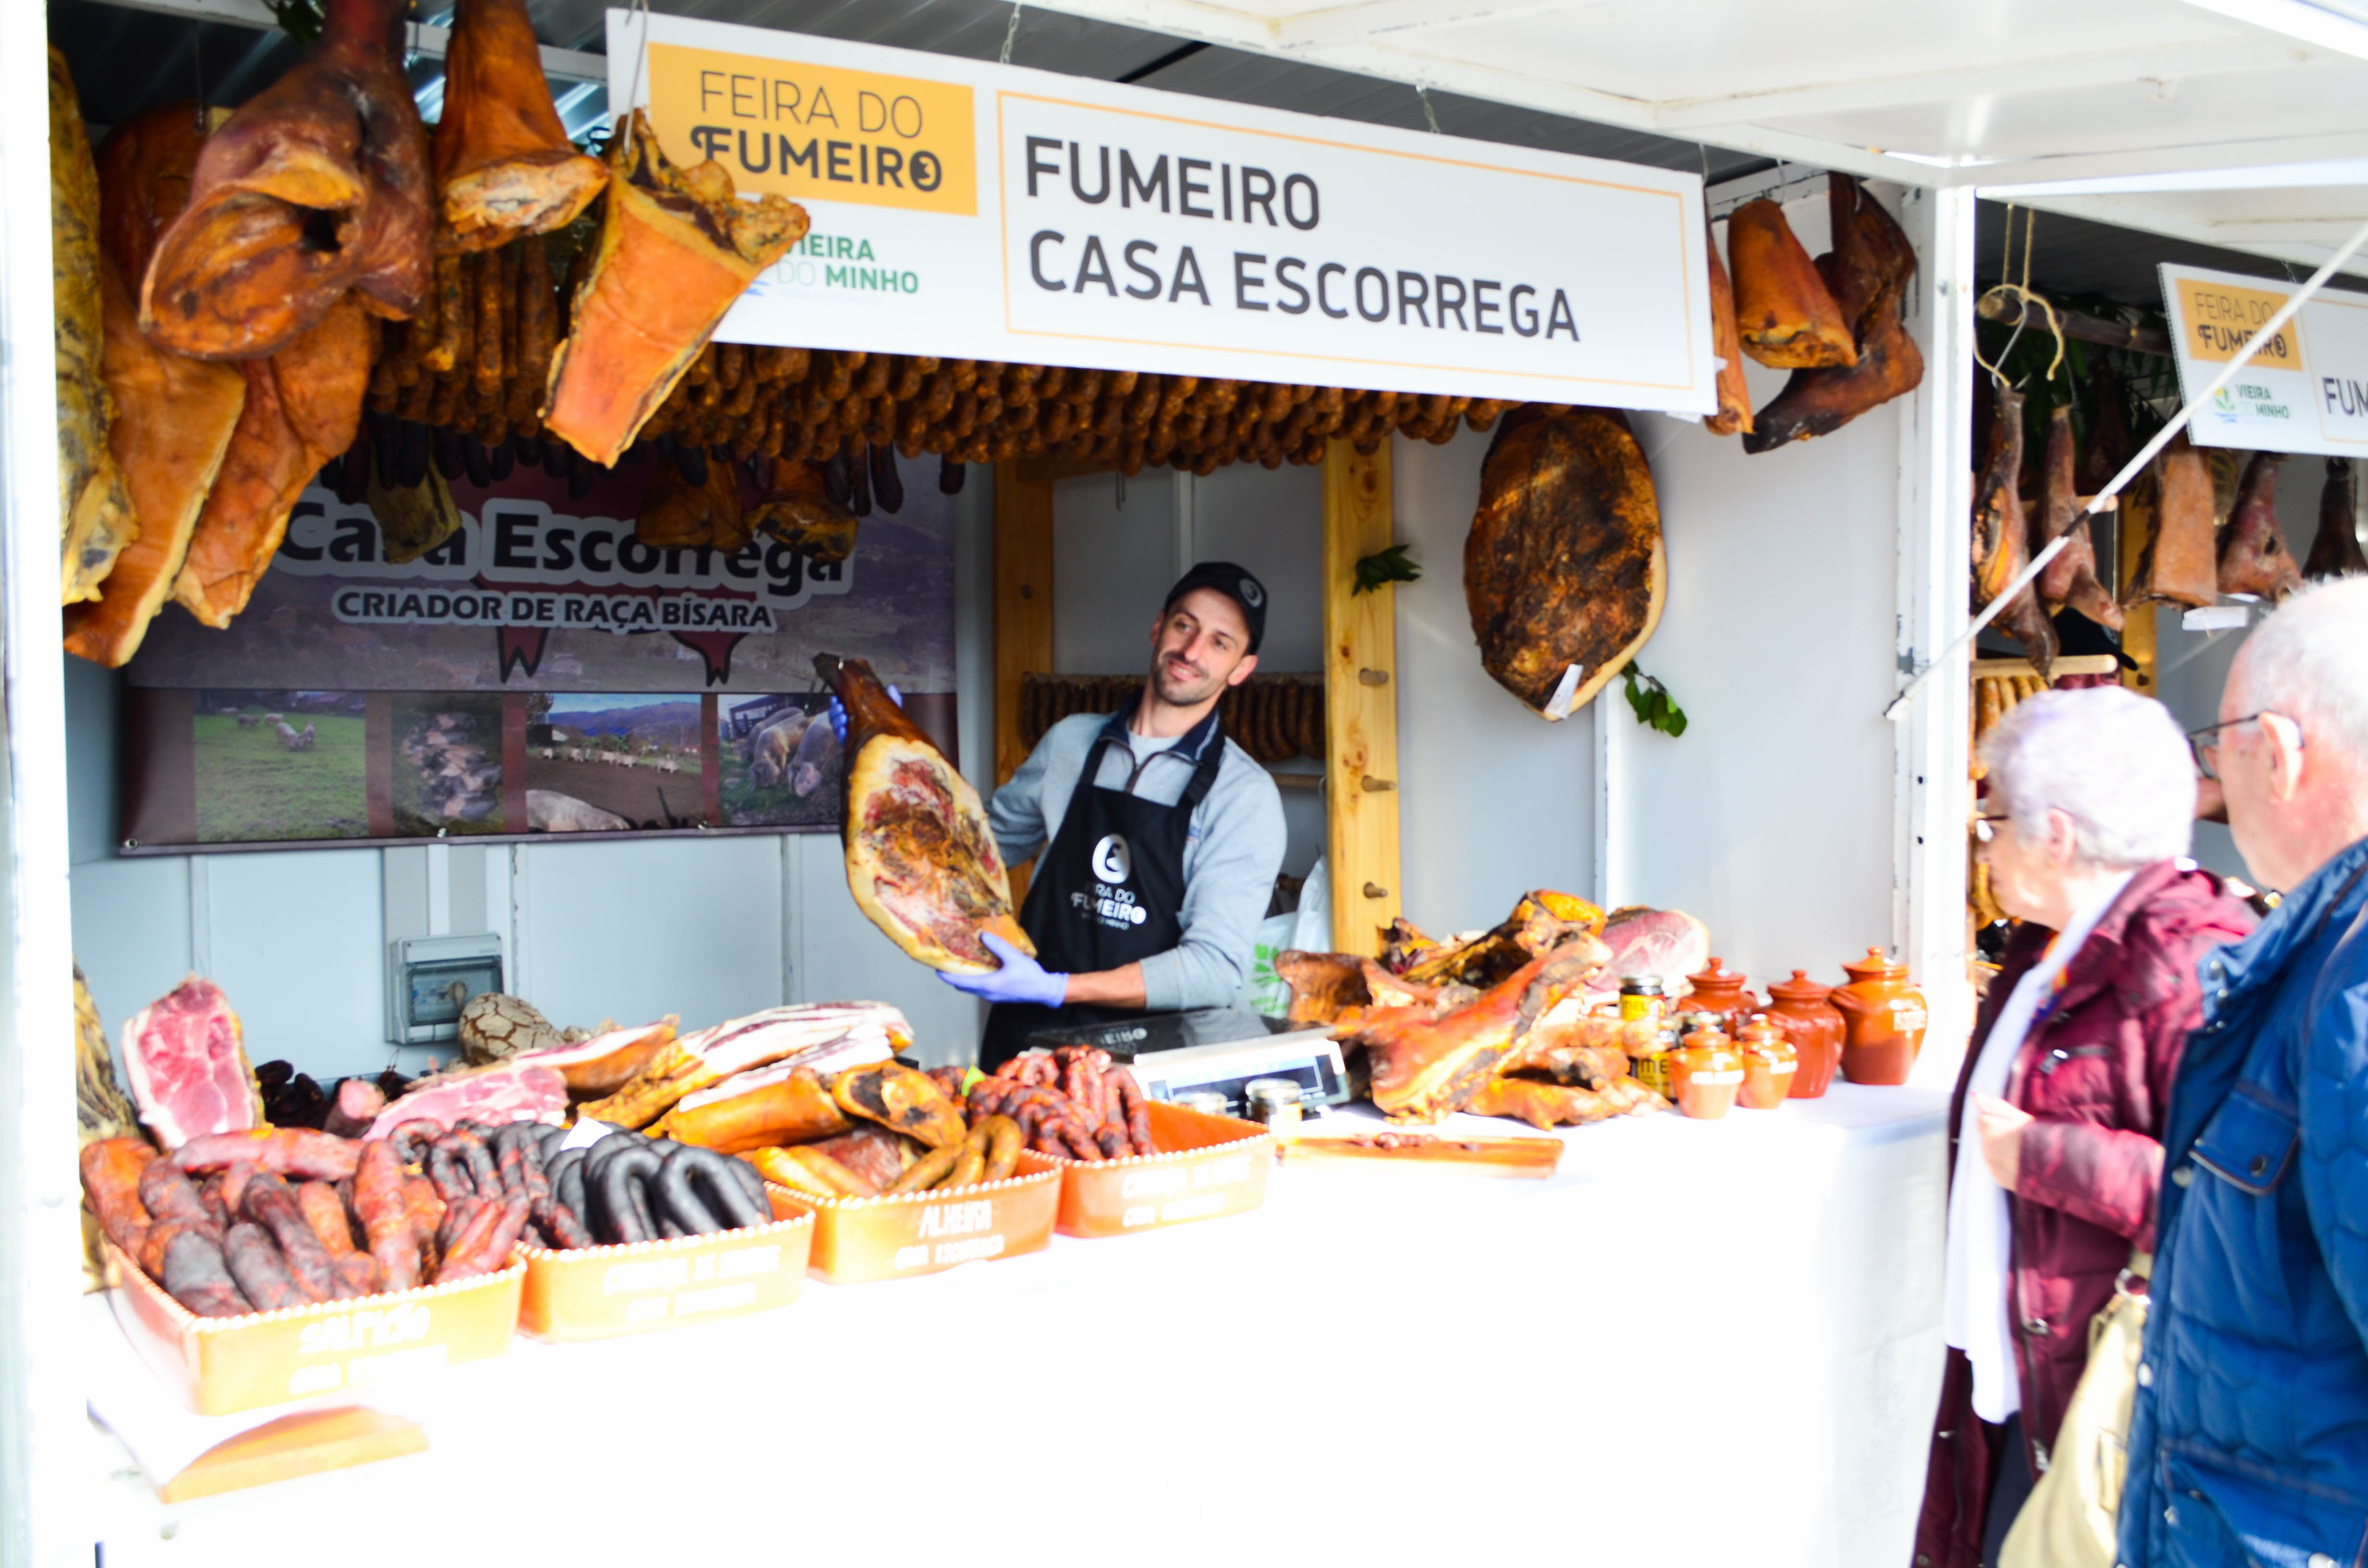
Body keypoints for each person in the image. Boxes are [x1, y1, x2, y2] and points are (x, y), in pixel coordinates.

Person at [1912, 687, 2255, 1568]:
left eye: (1993, 817)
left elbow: (2236, 1203)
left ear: (2054, 834)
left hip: (2104, 1404)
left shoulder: (2187, 957)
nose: (1981, 838)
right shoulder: (2046, 947)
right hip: (2026, 1378)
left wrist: (2043, 1155)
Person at [2118, 576, 2368, 1568]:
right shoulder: (2321, 955)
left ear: (2279, 749)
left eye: (2215, 742)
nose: (2211, 772)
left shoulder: (2352, 985)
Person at [942, 562, 1286, 1069]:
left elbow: (1213, 968)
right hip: (1026, 1048)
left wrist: (1059, 989)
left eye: (1219, 642)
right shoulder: (1069, 742)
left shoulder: (1242, 795)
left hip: (1152, 1065)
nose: (1191, 652)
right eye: (1184, 625)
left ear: (1241, 669)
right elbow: (967, 854)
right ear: (1157, 627)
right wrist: (882, 751)